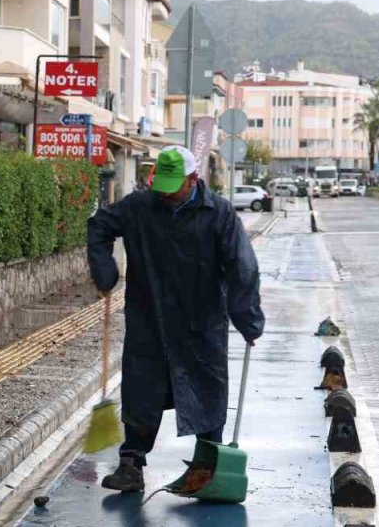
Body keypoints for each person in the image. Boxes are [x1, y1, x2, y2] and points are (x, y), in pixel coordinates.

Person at [87, 145, 264, 492]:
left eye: (174, 187)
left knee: (208, 391)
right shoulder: (140, 206)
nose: (166, 195)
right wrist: (105, 270)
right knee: (141, 391)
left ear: (194, 179)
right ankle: (131, 465)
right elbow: (99, 226)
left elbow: (242, 267)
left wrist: (247, 318)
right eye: (161, 186)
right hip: (148, 317)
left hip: (201, 321)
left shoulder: (220, 214)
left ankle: (209, 467)